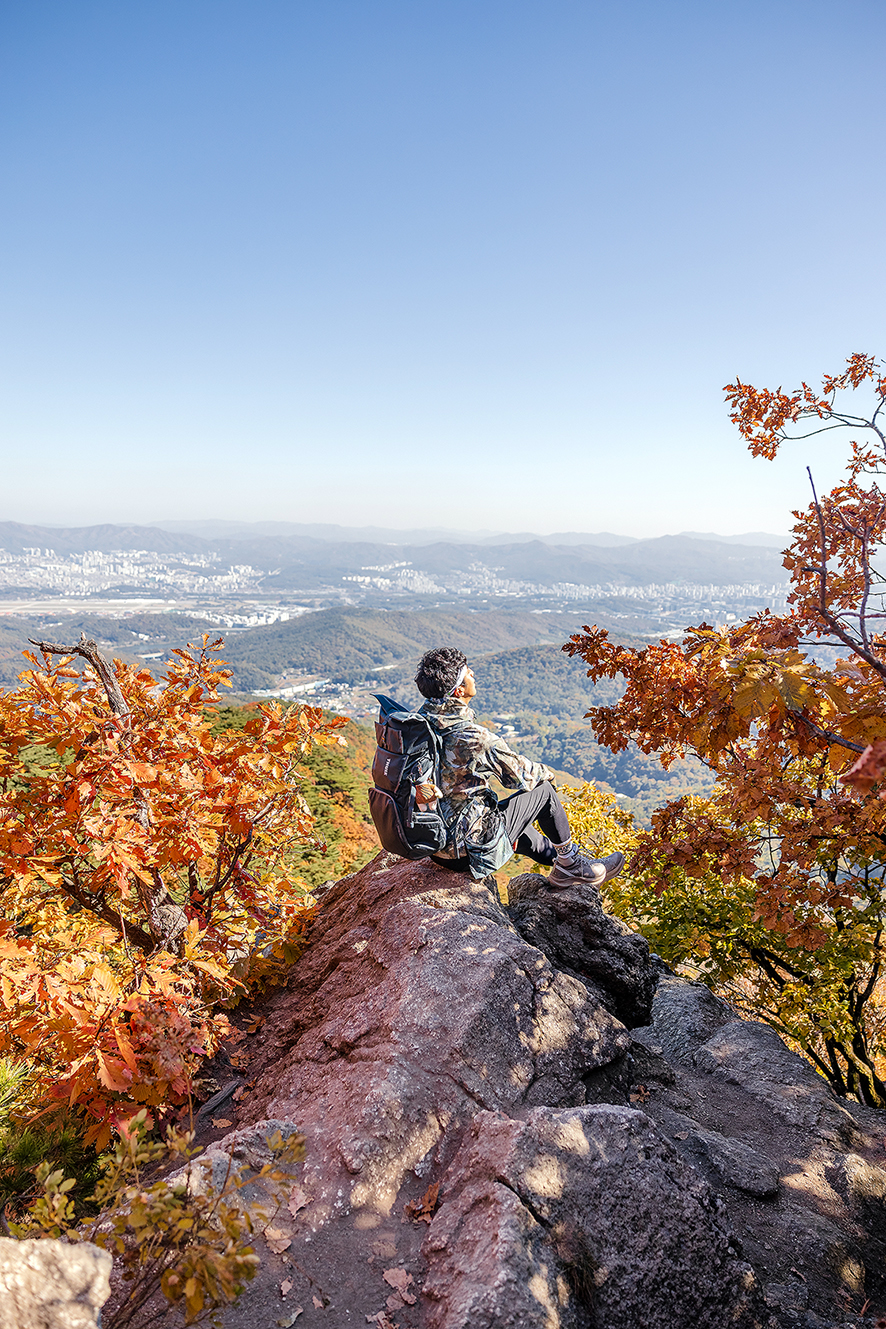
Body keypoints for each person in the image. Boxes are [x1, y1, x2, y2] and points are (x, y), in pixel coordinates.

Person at [414, 645, 624, 886]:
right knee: (542, 791)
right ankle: (570, 865)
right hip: (464, 850)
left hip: (436, 844)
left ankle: (568, 861)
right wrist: (550, 776)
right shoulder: (474, 738)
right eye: (467, 672)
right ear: (458, 689)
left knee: (514, 822)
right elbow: (522, 777)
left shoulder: (419, 724)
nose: (473, 673)